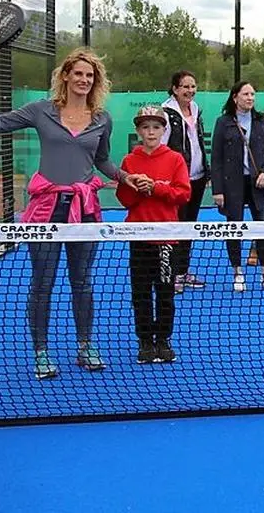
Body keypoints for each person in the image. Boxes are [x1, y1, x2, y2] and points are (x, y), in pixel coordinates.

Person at [0, 47, 142, 380]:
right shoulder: (41, 110)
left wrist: (124, 177)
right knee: (42, 284)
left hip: (84, 211)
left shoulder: (102, 119)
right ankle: (41, 352)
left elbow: (101, 160)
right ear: (66, 76)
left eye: (90, 75)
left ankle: (85, 346)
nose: (84, 80)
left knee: (82, 282)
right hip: (46, 210)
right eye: (79, 73)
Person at [116, 106, 191, 364]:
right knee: (141, 293)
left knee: (165, 292)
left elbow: (183, 194)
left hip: (167, 238)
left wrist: (157, 188)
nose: (151, 132)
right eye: (145, 127)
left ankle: (163, 339)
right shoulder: (129, 161)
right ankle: (145, 341)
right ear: (138, 131)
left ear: (163, 130)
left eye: (156, 127)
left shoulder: (175, 159)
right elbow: (124, 199)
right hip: (139, 237)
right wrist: (138, 187)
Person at [210, 82, 264, 293]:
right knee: (234, 230)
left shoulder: (261, 120)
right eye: (245, 94)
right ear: (235, 97)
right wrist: (217, 190)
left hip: (259, 184)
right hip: (232, 184)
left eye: (252, 94)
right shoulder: (223, 122)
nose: (250, 98)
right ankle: (238, 273)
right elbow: (216, 158)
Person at [161, 70, 209, 293]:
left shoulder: (196, 109)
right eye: (185, 87)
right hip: (177, 181)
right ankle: (172, 275)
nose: (190, 91)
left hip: (198, 177)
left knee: (189, 226)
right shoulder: (165, 113)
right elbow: (162, 147)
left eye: (193, 86)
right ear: (175, 89)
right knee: (176, 227)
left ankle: (182, 271)